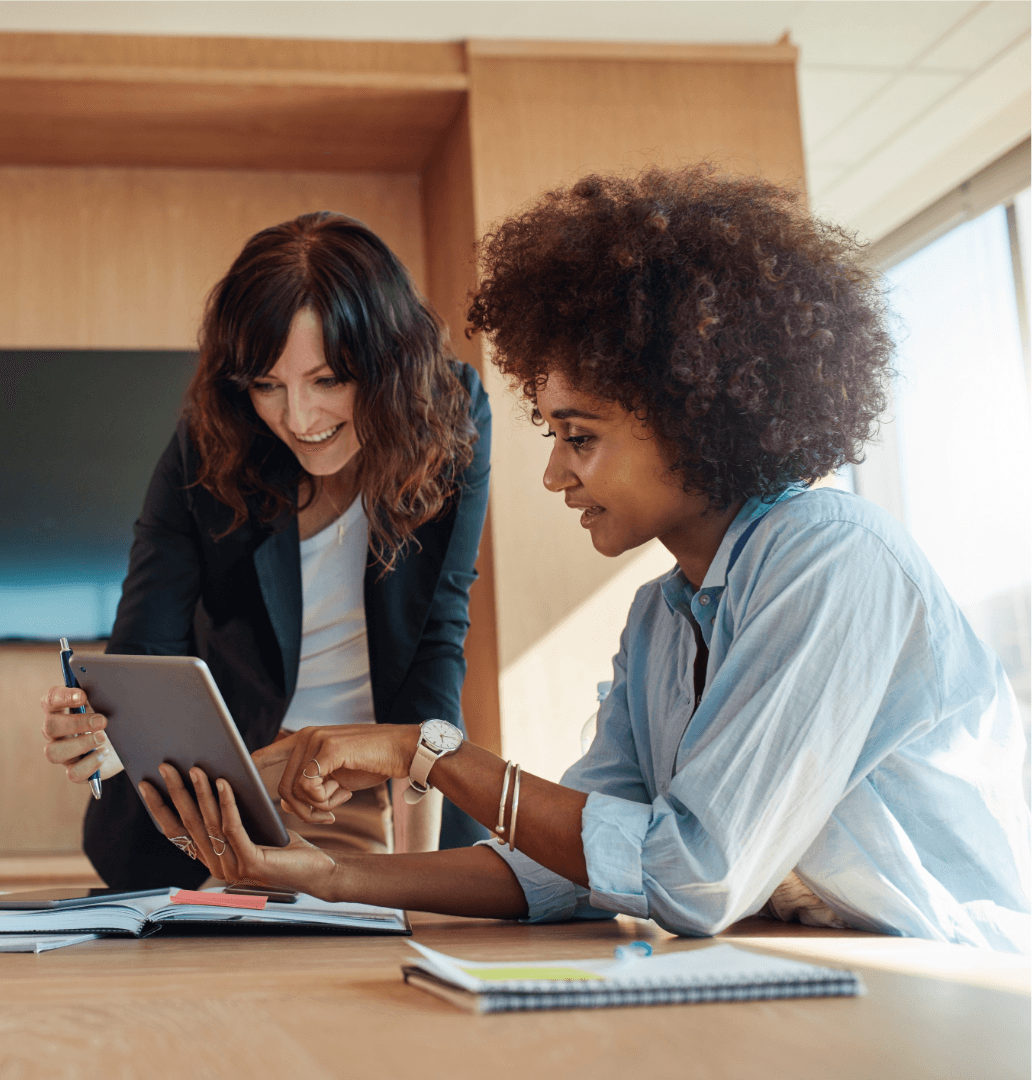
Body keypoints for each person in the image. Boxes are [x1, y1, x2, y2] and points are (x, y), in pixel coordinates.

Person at [137, 168, 1029, 950]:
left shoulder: (833, 560)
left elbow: (693, 875)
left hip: (944, 974)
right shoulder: (660, 623)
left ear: (695, 418)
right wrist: (323, 878)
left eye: (581, 437)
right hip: (803, 967)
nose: (554, 471)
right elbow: (563, 872)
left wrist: (429, 750)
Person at [40, 212, 492, 889]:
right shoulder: (210, 440)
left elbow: (436, 641)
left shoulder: (450, 416)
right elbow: (146, 651)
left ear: (390, 364)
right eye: (267, 385)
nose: (299, 420)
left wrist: (417, 875)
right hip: (224, 805)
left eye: (329, 380)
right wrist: (105, 733)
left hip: (392, 796)